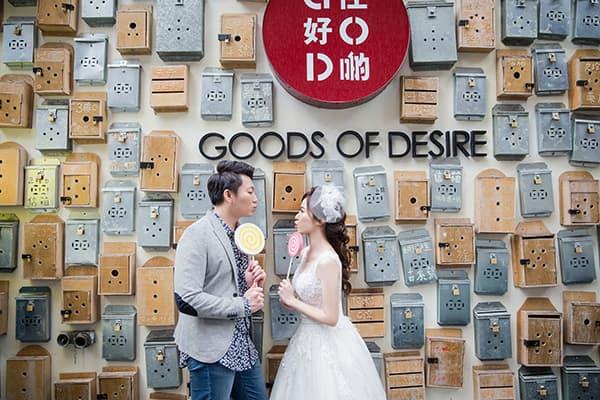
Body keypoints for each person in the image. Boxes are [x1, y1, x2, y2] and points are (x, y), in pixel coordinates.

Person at [270, 185, 387, 400]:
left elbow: (331, 317)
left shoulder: (328, 261)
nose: (296, 217)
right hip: (305, 340)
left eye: (302, 211)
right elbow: (308, 300)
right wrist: (290, 299)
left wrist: (293, 302)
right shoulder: (306, 252)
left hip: (328, 342)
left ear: (320, 220)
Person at [174, 160, 268, 400]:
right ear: (228, 195)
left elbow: (224, 285)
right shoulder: (197, 234)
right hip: (210, 349)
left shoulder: (240, 234)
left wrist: (247, 282)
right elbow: (186, 299)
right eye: (250, 192)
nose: (256, 198)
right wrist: (243, 304)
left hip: (242, 343)